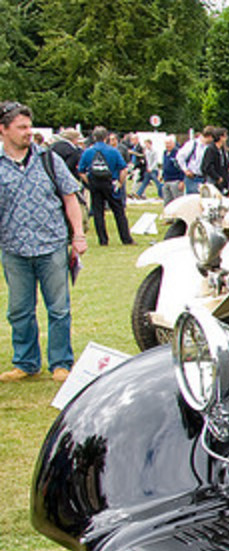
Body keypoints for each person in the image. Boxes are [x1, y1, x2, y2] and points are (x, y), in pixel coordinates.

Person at [0, 101, 88, 382]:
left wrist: (78, 235)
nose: (28, 132)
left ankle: (61, 362)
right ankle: (25, 362)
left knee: (59, 308)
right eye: (21, 127)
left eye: (29, 126)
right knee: (19, 310)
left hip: (51, 246)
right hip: (14, 249)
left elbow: (70, 197)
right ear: (3, 130)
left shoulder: (49, 160)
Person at [76, 126, 134, 246]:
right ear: (106, 137)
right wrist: (120, 182)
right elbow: (123, 169)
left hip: (95, 183)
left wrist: (89, 182)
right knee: (118, 212)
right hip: (110, 183)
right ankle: (126, 238)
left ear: (93, 137)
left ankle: (103, 240)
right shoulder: (113, 151)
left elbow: (81, 171)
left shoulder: (88, 152)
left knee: (98, 212)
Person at [160, 136, 185, 204]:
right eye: (166, 143)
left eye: (169, 143)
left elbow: (182, 167)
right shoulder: (165, 153)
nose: (168, 145)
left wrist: (182, 181)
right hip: (166, 180)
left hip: (175, 180)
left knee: (177, 201)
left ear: (173, 143)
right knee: (167, 201)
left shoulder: (178, 153)